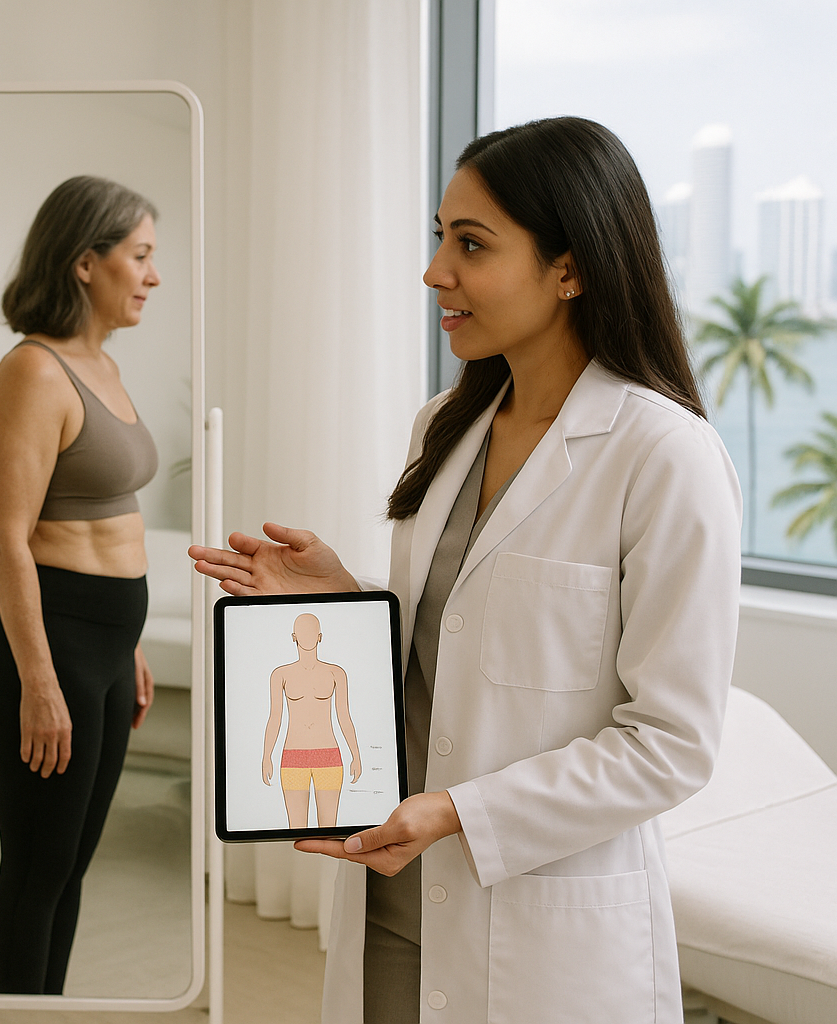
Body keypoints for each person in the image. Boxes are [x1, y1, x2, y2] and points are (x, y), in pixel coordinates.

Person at [191, 116, 741, 1024]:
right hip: (394, 901)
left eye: (471, 244)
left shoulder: (663, 455)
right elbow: (458, 641)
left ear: (571, 268)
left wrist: (455, 813)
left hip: (540, 925)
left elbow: (671, 746)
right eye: (439, 238)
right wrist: (347, 600)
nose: (435, 271)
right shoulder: (446, 427)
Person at [0, 176, 162, 994]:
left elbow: (112, 523)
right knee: (41, 868)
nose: (153, 276)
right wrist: (40, 683)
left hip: (107, 648)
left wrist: (132, 646)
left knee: (74, 866)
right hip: (44, 647)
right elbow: (6, 536)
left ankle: (46, 1013)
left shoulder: (104, 366)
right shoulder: (34, 372)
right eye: (141, 256)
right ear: (87, 263)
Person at [263, 613, 362, 828]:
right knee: (296, 829)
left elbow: (344, 715)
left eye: (312, 632)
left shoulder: (336, 673)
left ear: (320, 637)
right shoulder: (280, 674)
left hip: (328, 756)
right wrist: (266, 756)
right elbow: (275, 718)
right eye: (302, 632)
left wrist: (356, 754)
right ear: (293, 636)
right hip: (292, 757)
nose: (307, 637)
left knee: (329, 829)